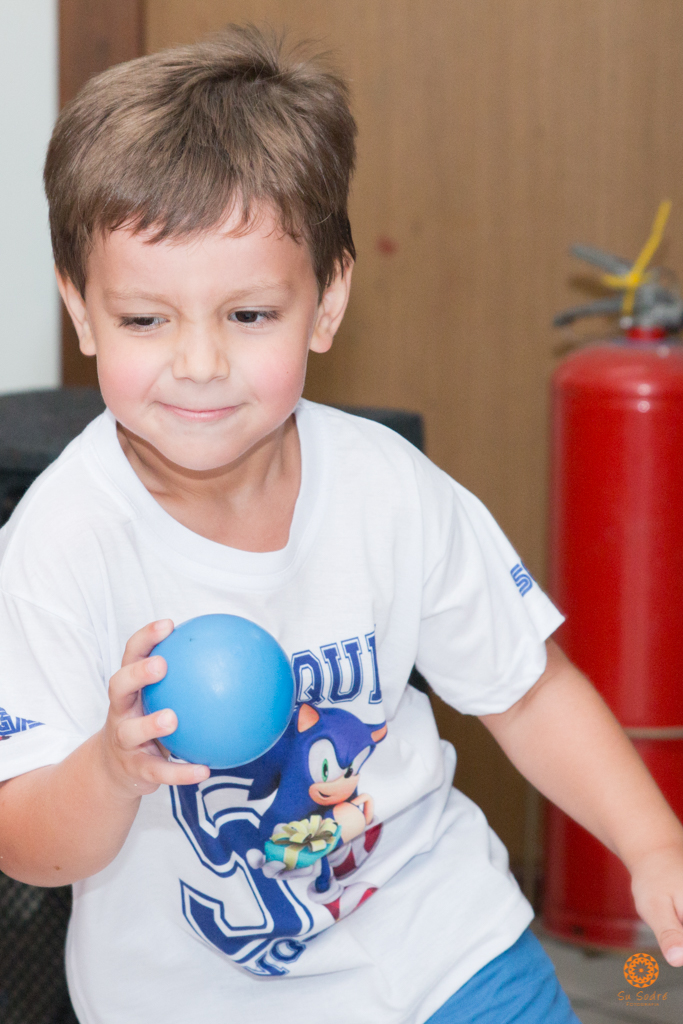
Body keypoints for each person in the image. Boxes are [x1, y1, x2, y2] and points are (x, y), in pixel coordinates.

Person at [0, 25, 682, 1024]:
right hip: (194, 1000)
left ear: (324, 304)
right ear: (83, 311)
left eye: (248, 316)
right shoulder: (59, 545)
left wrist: (652, 841)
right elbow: (23, 839)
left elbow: (525, 689)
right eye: (147, 319)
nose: (197, 365)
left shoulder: (388, 491)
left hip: (440, 942)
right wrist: (108, 768)